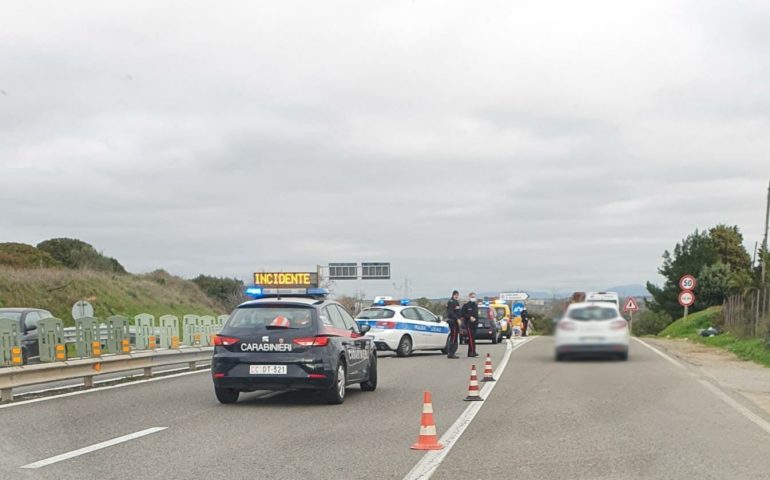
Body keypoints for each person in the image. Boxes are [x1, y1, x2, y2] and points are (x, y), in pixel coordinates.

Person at [461, 292, 479, 357]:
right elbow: (462, 314)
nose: (473, 298)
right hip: (469, 324)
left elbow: (476, 315)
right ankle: (472, 352)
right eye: (472, 297)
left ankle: (471, 351)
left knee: (473, 338)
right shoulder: (466, 305)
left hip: (475, 324)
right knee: (471, 338)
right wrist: (469, 317)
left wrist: (477, 322)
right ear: (469, 297)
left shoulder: (475, 305)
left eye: (474, 297)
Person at [446, 290, 462, 359]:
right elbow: (451, 312)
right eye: (456, 295)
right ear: (453, 295)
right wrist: (457, 319)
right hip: (453, 321)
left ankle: (452, 352)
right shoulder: (453, 302)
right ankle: (451, 353)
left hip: (453, 321)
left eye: (457, 295)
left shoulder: (452, 302)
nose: (457, 296)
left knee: (454, 336)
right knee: (453, 337)